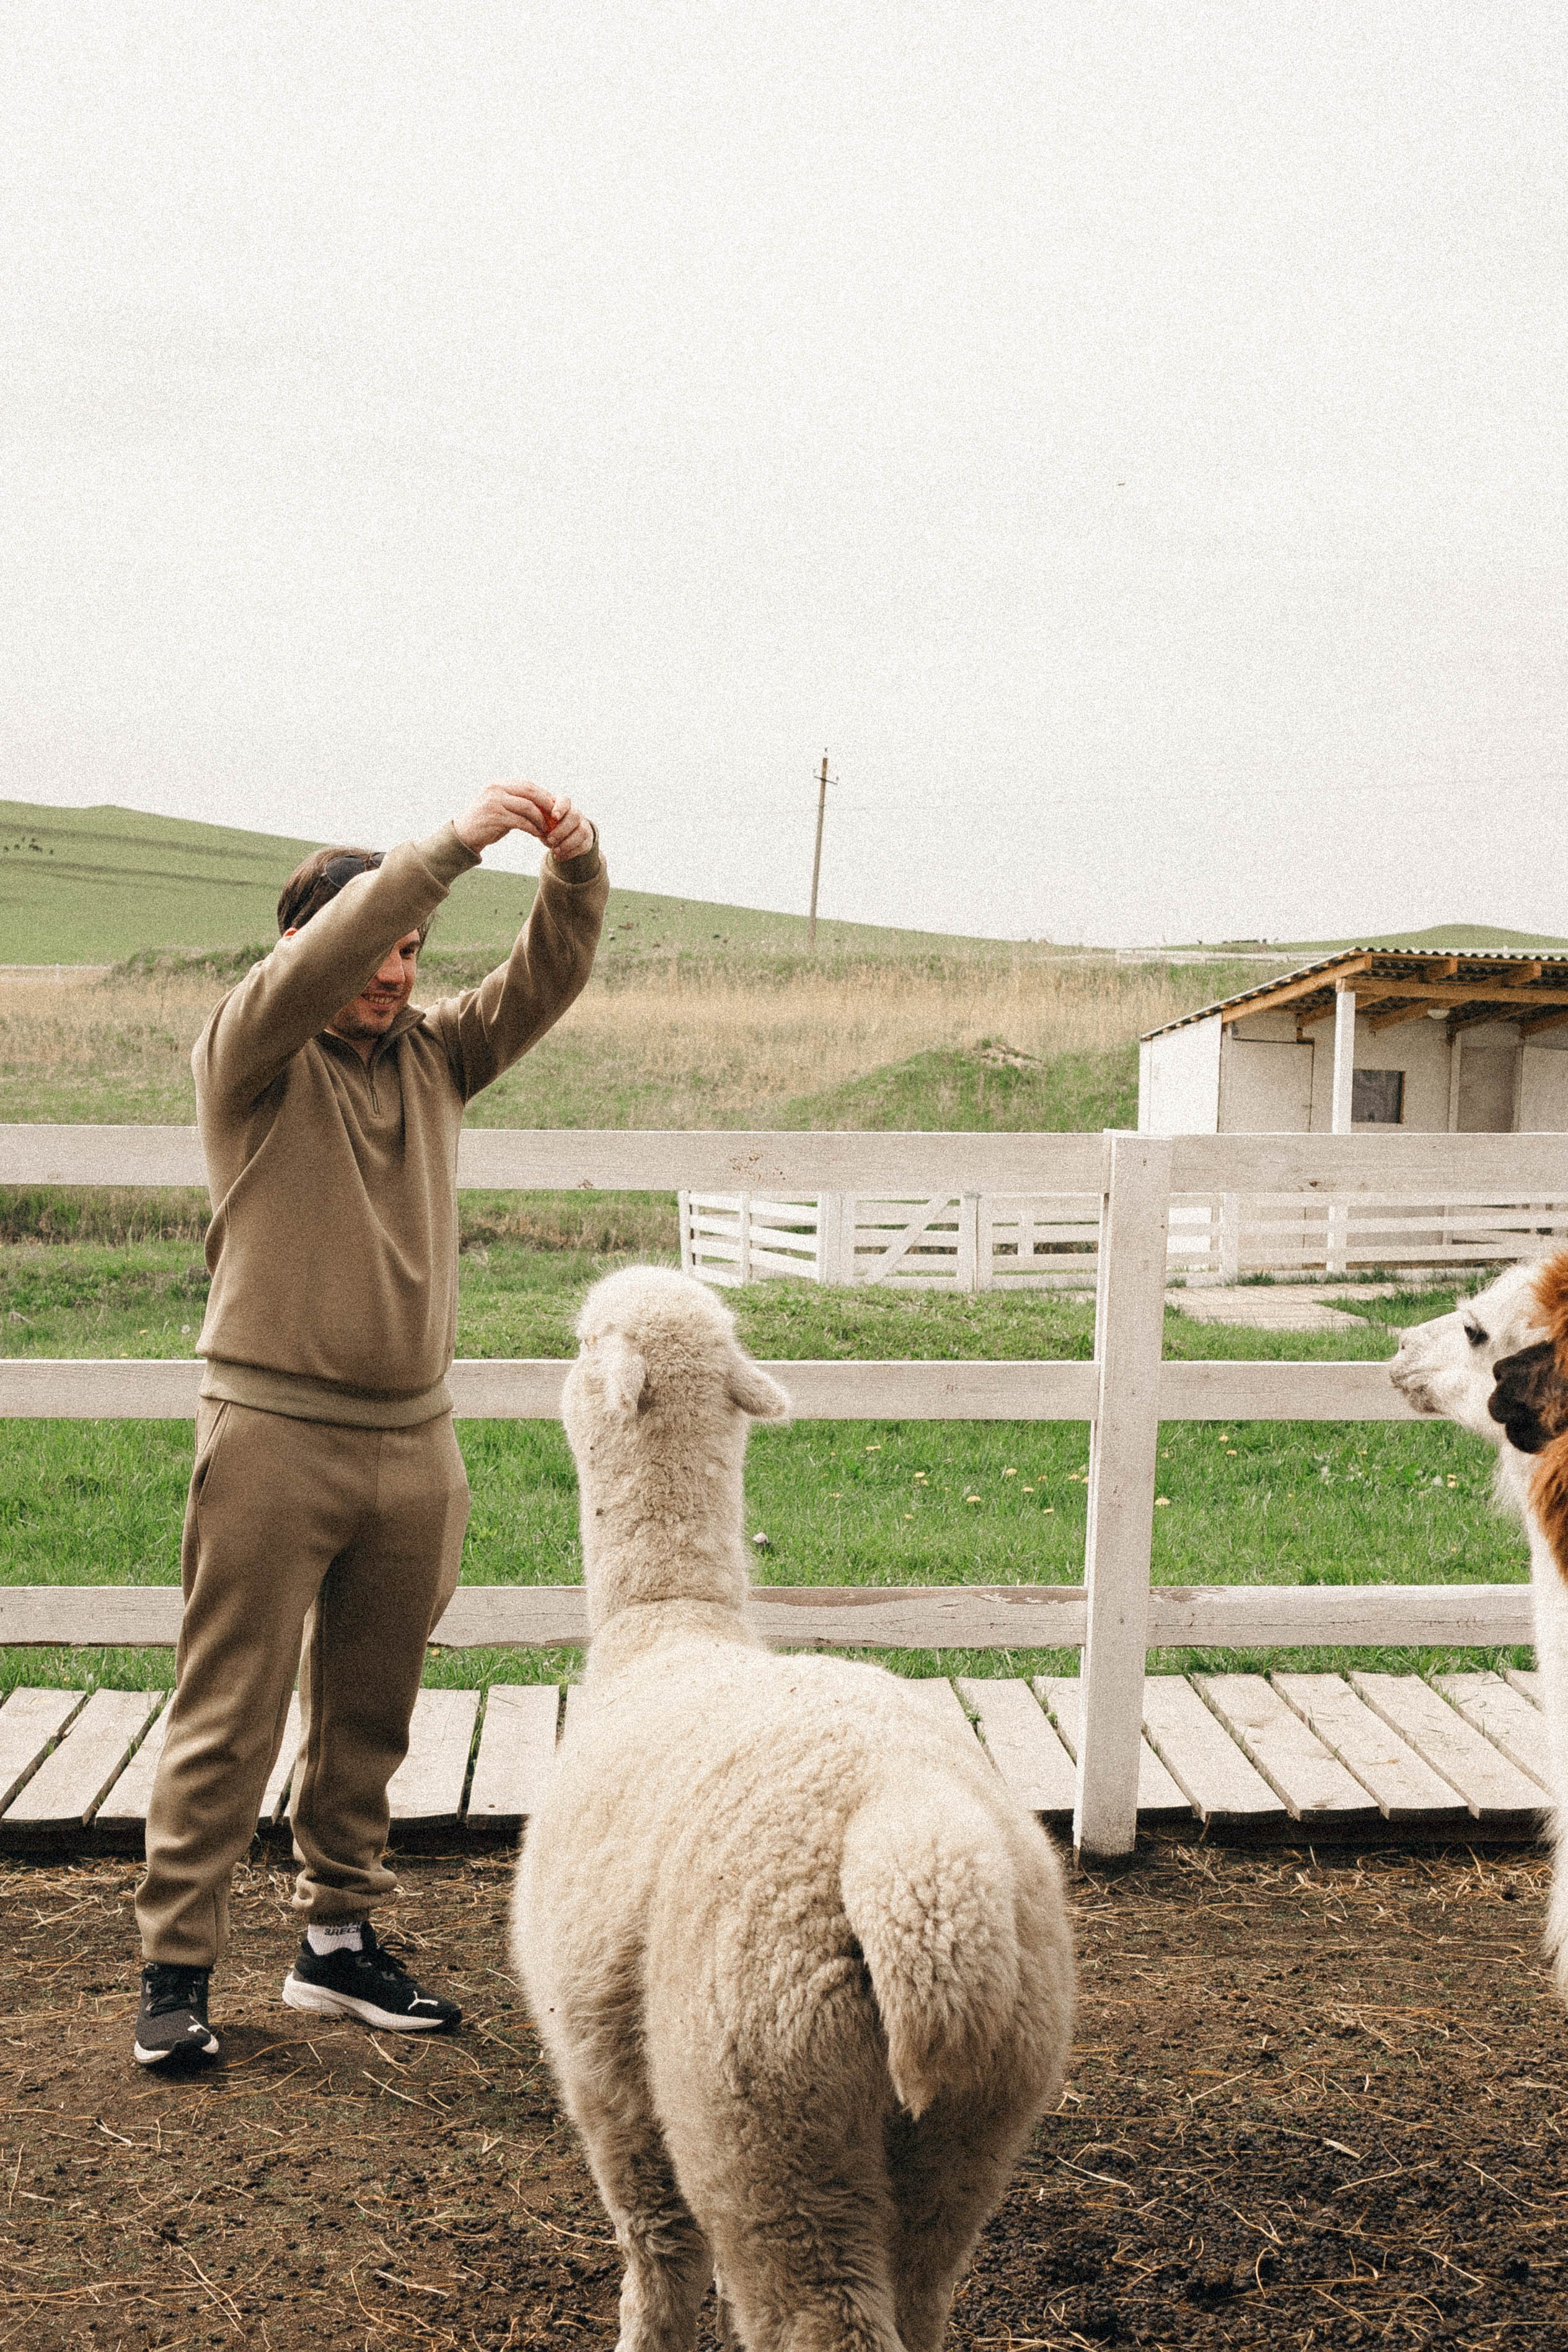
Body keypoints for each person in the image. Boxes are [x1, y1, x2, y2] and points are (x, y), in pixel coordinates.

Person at [131, 782, 606, 2068]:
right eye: (374, 946)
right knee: (229, 1709)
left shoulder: (438, 1058)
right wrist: (447, 849)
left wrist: (571, 871)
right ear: (304, 948)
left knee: (369, 1715)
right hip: (271, 1432)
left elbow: (548, 975)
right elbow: (330, 950)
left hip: (415, 1442)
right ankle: (176, 1969)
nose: (395, 971)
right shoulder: (252, 1053)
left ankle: (334, 1946)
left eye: (411, 950)